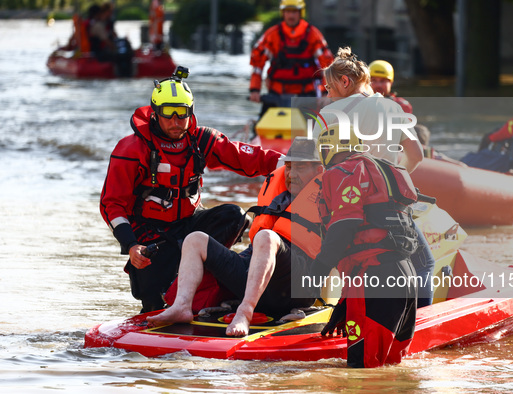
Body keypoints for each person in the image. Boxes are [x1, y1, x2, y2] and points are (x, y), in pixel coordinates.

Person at [100, 66, 282, 313]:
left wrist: (292, 162)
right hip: (151, 235)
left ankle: (205, 282)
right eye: (168, 114)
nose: (176, 122)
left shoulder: (201, 140)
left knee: (234, 215)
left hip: (190, 224)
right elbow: (112, 205)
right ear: (155, 113)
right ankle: (167, 293)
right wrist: (132, 246)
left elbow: (245, 157)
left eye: (182, 114)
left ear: (191, 111)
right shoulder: (131, 150)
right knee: (152, 296)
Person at [146, 138, 324, 336]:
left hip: (296, 286)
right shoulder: (278, 191)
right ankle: (181, 307)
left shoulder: (332, 198)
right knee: (195, 239)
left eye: (300, 167)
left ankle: (245, 313)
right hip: (256, 274)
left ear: (319, 171)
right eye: (289, 167)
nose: (291, 174)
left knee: (266, 237)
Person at [313, 47, 435, 308]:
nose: (327, 92)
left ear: (345, 82)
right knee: (425, 264)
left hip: (344, 207)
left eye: (329, 86)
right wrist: (393, 182)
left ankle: (326, 313)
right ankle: (420, 322)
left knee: (338, 263)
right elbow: (415, 155)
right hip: (387, 209)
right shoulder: (390, 107)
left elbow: (322, 166)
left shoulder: (326, 115)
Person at [315, 124, 418, 368]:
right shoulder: (382, 170)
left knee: (362, 373)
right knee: (392, 370)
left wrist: (315, 273)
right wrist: (343, 304)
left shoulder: (341, 172)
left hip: (373, 278)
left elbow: (344, 227)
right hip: (406, 277)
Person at [248, 0, 334, 116]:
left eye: (294, 12)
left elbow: (327, 65)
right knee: (261, 127)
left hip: (306, 93)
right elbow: (258, 62)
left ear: (300, 13)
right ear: (283, 13)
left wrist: (326, 92)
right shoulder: (273, 34)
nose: (291, 15)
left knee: (314, 127)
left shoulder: (312, 34)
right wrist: (255, 90)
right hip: (277, 93)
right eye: (288, 11)